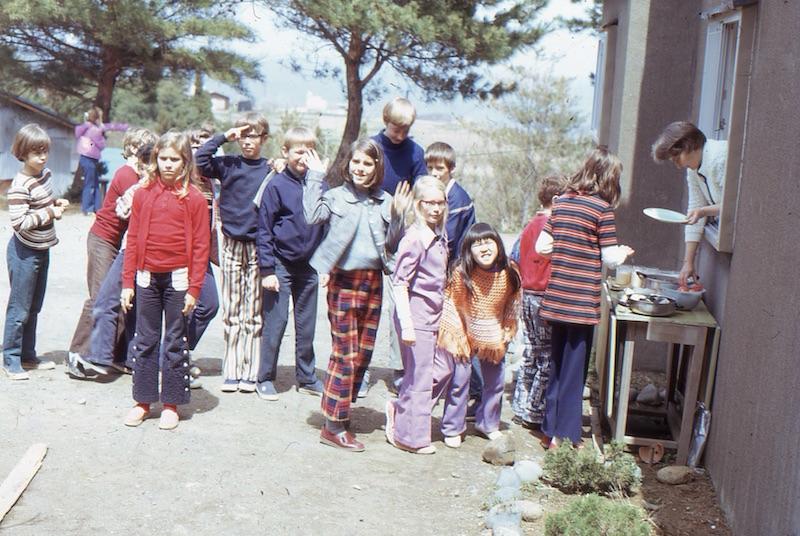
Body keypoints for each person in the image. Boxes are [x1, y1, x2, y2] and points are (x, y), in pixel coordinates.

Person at [303, 138, 408, 452]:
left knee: (362, 355)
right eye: (356, 162)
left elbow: (392, 245)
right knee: (345, 353)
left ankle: (340, 411)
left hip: (373, 281)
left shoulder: (385, 200)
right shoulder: (335, 197)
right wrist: (314, 177)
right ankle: (332, 426)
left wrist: (400, 215)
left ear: (377, 167)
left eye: (368, 163)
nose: (361, 169)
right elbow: (311, 216)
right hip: (343, 282)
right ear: (348, 165)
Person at [535, 146, 634, 449]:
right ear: (607, 178)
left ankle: (549, 428)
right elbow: (610, 258)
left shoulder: (562, 202)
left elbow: (542, 247)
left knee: (558, 365)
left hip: (555, 300)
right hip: (580, 304)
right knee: (575, 371)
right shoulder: (601, 210)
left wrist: (568, 247)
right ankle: (564, 438)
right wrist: (624, 253)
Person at [120, 132, 210, 430]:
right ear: (155, 158)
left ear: (186, 162)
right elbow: (132, 239)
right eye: (164, 158)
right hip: (146, 278)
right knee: (145, 340)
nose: (169, 165)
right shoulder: (143, 193)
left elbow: (200, 247)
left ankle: (171, 403)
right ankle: (143, 402)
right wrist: (127, 283)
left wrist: (194, 288)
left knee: (174, 340)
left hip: (179, 280)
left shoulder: (195, 199)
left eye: (176, 160)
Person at [66, 128, 157, 378]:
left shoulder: (140, 174)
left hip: (116, 242)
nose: (145, 151)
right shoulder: (127, 174)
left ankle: (115, 355)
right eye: (141, 146)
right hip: (103, 239)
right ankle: (78, 352)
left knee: (122, 299)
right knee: (100, 297)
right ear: (130, 149)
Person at [195, 112, 272, 393]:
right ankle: (231, 369)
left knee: (252, 313)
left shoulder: (269, 169)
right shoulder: (228, 164)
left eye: (254, 135)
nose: (248, 141)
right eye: (244, 135)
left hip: (257, 246)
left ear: (264, 139)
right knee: (231, 310)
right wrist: (224, 137)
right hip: (230, 243)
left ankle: (249, 372)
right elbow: (199, 161)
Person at [432, 222, 521, 448]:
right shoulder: (462, 272)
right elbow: (451, 303)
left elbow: (513, 301)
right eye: (477, 244)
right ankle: (452, 426)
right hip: (463, 330)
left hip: (493, 334)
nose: (484, 248)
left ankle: (488, 423)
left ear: (498, 244)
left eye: (488, 242)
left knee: (495, 382)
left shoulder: (509, 271)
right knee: (460, 380)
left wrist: (508, 328)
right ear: (468, 249)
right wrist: (456, 335)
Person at [256, 127, 327, 400]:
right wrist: (267, 270)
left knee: (307, 324)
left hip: (309, 266)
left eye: (310, 151)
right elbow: (263, 230)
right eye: (299, 151)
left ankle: (307, 377)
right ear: (285, 152)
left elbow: (326, 226)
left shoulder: (320, 184)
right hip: (280, 263)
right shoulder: (276, 185)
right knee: (276, 321)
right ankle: (264, 377)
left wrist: (325, 266)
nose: (304, 157)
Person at [367, 97, 428, 398]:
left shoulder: (415, 152)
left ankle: (398, 369)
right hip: (368, 229)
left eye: (405, 130)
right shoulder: (372, 147)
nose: (400, 136)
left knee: (398, 301)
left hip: (399, 230)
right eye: (395, 129)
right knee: (366, 303)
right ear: (384, 120)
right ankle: (361, 367)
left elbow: (422, 188)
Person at [385, 176, 449, 455]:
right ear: (418, 204)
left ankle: (402, 409)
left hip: (438, 315)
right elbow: (400, 283)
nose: (436, 208)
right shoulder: (413, 238)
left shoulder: (440, 234)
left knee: (445, 368)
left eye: (441, 203)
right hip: (416, 317)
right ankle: (409, 437)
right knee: (419, 376)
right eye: (430, 203)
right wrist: (407, 325)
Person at [2, 124, 69, 380]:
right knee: (19, 308)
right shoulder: (19, 184)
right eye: (36, 153)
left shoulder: (45, 174)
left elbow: (40, 206)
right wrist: (51, 213)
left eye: (45, 151)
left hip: (42, 249)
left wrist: (54, 204)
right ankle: (10, 359)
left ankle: (27, 355)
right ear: (22, 153)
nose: (42, 157)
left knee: (34, 305)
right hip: (23, 253)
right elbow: (19, 222)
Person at [424, 141, 480, 410]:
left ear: (451, 169)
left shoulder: (456, 199)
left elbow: (449, 240)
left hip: (457, 271)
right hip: (451, 269)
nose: (434, 173)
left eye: (440, 168)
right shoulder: (441, 194)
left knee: (459, 332)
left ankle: (473, 392)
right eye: (430, 168)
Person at [510, 175, 568, 433]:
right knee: (546, 356)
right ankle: (535, 411)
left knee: (531, 353)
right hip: (544, 297)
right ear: (556, 201)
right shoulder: (551, 227)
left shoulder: (529, 225)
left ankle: (520, 406)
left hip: (527, 295)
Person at [651, 121, 726, 286]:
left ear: (688, 145)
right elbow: (694, 211)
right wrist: (688, 263)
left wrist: (703, 211)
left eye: (677, 158)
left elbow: (734, 207)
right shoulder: (693, 169)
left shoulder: (719, 156)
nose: (678, 165)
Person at [74, 107, 129, 214]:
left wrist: (123, 127)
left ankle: (96, 208)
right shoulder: (94, 130)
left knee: (92, 182)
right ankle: (88, 208)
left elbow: (110, 126)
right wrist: (103, 137)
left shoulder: (86, 127)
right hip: (91, 157)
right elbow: (101, 145)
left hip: (85, 157)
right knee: (91, 183)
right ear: (96, 118)